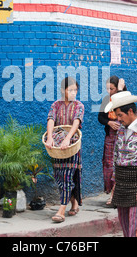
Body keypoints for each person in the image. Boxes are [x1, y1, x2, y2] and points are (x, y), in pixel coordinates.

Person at [104, 91, 137, 237]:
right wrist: (115, 182)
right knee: (125, 224)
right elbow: (116, 155)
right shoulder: (121, 129)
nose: (119, 119)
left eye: (120, 115)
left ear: (131, 111)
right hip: (122, 181)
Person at [45, 77, 84, 223]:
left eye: (75, 90)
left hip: (72, 146)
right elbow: (50, 119)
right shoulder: (55, 105)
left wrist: (68, 138)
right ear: (63, 90)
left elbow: (77, 121)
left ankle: (61, 210)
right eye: (71, 90)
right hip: (57, 148)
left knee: (68, 177)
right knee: (60, 177)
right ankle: (73, 202)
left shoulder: (79, 105)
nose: (74, 93)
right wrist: (50, 137)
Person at [98, 76, 126, 205]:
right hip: (110, 136)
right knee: (109, 164)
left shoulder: (125, 98)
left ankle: (115, 195)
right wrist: (109, 122)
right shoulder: (106, 100)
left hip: (123, 137)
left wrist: (120, 91)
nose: (110, 91)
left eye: (112, 88)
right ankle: (111, 191)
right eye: (108, 88)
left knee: (119, 164)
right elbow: (100, 117)